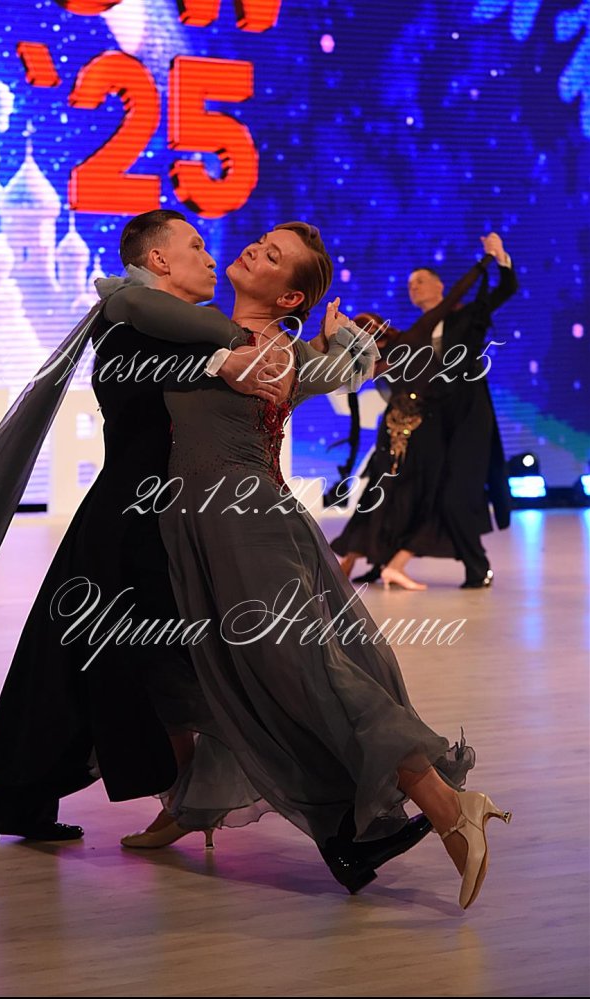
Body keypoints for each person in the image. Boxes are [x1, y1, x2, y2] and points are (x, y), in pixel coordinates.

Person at [0, 210, 432, 887]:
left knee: (111, 674)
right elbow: (141, 340)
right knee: (210, 681)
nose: (211, 254)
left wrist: (334, 352)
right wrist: (229, 354)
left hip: (160, 527)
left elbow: (287, 373)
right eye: (194, 246)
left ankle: (30, 799)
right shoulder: (133, 322)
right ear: (159, 261)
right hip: (134, 528)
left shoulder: (184, 327)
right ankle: (331, 828)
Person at [99, 223, 511, 907]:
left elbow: (135, 305)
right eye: (261, 241)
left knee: (310, 670)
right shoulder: (217, 333)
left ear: (289, 296)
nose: (253, 249)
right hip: (199, 528)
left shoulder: (269, 352)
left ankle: (447, 805)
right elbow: (130, 304)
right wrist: (340, 348)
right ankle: (189, 806)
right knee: (214, 674)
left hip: (245, 527)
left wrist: (339, 349)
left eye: (273, 256)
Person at [331, 244, 503, 589]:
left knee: (404, 493)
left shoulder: (413, 338)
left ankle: (381, 562)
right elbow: (348, 378)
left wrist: (486, 262)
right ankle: (379, 563)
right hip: (408, 430)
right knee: (394, 493)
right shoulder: (397, 349)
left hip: (420, 428)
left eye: (419, 282)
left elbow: (458, 296)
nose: (413, 288)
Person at [408, 233, 516, 588]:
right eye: (410, 284)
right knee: (431, 492)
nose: (414, 287)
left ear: (440, 286)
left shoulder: (466, 315)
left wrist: (499, 258)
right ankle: (388, 564)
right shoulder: (418, 332)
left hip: (470, 413)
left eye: (420, 281)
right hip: (435, 417)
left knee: (457, 494)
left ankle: (478, 565)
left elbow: (506, 289)